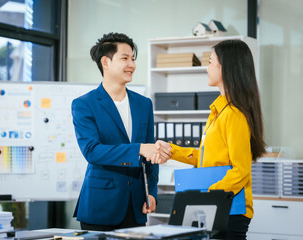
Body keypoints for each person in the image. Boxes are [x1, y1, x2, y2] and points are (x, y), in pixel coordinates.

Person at [153, 40, 266, 240]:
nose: (207, 67)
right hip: (221, 206)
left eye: (211, 62)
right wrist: (172, 150)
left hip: (229, 209)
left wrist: (208, 196)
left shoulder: (234, 114)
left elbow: (241, 170)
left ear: (226, 68)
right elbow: (207, 157)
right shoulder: (218, 111)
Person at [71, 32, 170, 231]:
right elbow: (92, 151)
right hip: (100, 207)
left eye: (133, 58)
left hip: (136, 207)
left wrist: (151, 193)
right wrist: (139, 149)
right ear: (105, 62)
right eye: (125, 58)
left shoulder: (143, 104)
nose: (131, 64)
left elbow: (151, 154)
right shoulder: (84, 104)